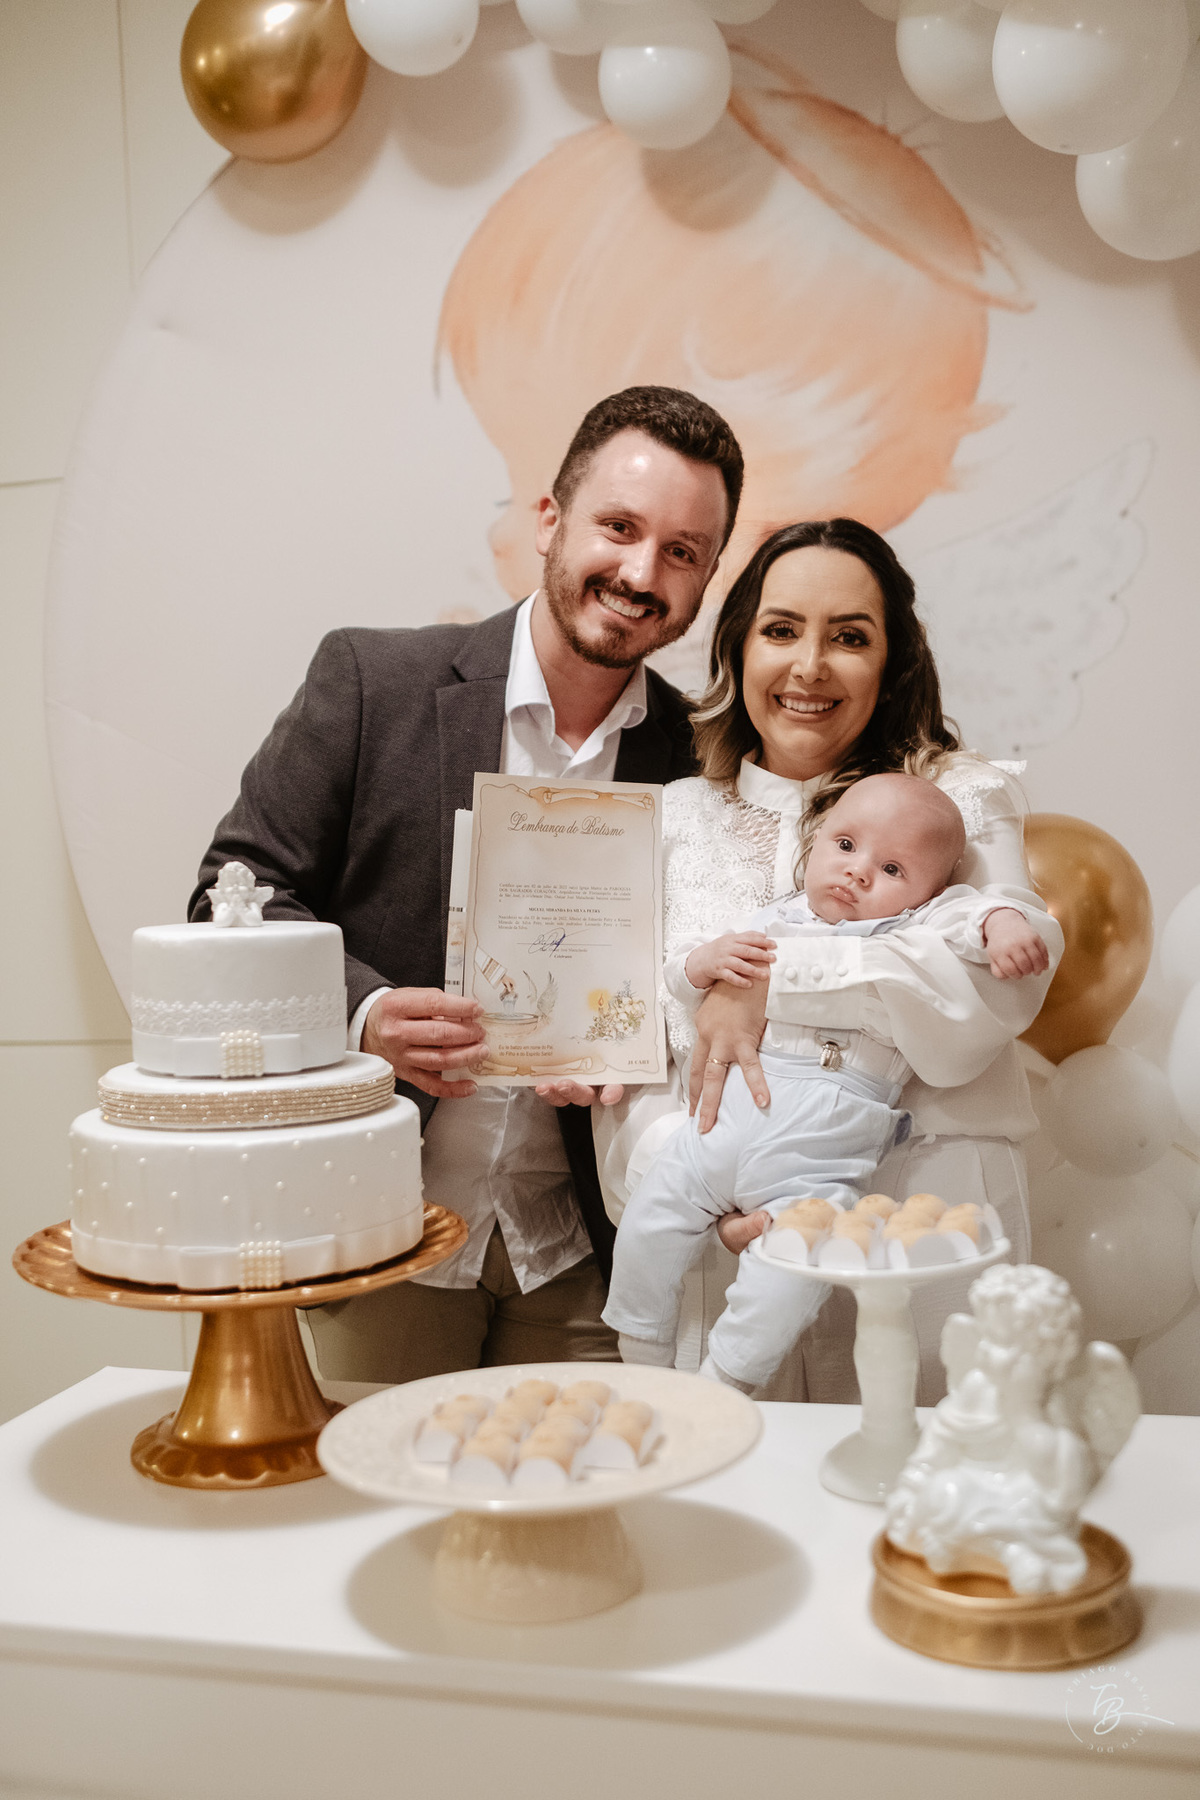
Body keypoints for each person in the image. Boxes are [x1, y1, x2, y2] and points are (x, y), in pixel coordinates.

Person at [189, 385, 744, 1381]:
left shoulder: (699, 762)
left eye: (681, 552)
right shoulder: (373, 681)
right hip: (385, 1228)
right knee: (376, 1519)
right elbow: (233, 891)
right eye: (618, 527)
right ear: (548, 519)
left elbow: (700, 977)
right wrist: (365, 1017)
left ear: (706, 575)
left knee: (578, 1528)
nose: (639, 572)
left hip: (584, 1249)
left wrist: (636, 1042)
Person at [593, 517, 1060, 1403]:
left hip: (922, 1224)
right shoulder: (678, 815)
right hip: (717, 1250)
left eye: (849, 637)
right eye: (781, 630)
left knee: (916, 1493)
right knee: (731, 1500)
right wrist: (682, 1158)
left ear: (892, 664)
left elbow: (991, 995)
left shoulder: (958, 796)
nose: (809, 666)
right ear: (736, 651)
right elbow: (643, 1047)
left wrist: (768, 980)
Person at [603, 772, 1057, 1395]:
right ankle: (640, 1340)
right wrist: (700, 965)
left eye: (892, 868)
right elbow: (687, 977)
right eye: (845, 846)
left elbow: (974, 915)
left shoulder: (918, 921)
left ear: (928, 890)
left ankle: (730, 1374)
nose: (859, 872)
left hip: (817, 1156)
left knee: (791, 1269)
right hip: (718, 1129)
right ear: (815, 844)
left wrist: (1001, 924)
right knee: (650, 1222)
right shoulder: (773, 916)